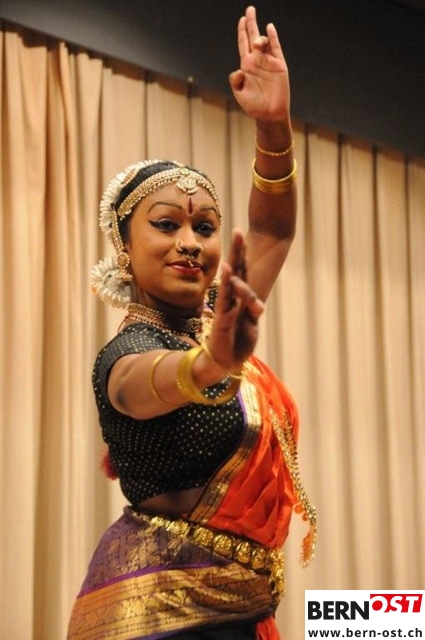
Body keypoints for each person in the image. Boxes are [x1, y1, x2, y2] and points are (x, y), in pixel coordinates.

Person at [67, 6, 316, 640]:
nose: (189, 242)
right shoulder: (127, 355)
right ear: (124, 247)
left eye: (204, 227)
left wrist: (273, 124)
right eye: (166, 224)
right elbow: (155, 382)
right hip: (159, 615)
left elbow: (273, 230)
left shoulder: (215, 319)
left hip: (243, 610)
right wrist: (211, 365)